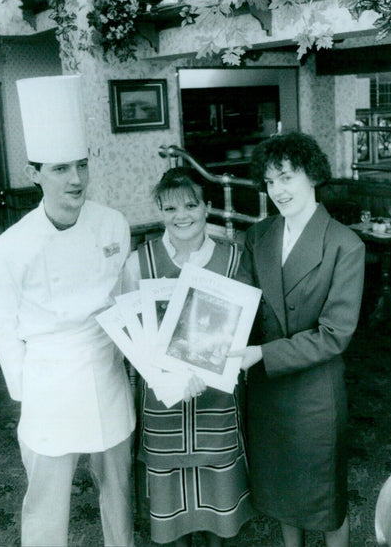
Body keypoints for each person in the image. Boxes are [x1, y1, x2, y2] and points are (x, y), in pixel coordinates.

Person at [0, 75, 135, 547]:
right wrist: (24, 387)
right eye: (61, 168)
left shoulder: (113, 222)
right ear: (35, 173)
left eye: (82, 166)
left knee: (118, 490)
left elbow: (127, 297)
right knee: (47, 500)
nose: (76, 179)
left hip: (106, 370)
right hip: (48, 381)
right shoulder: (12, 247)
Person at [231, 133, 365, 547]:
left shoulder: (345, 244)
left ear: (313, 176)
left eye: (286, 178)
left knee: (324, 502)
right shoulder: (259, 236)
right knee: (282, 496)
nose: (278, 191)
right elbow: (241, 308)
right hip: (268, 394)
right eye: (270, 182)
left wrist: (259, 353)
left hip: (314, 397)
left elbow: (334, 335)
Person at [121, 167, 254, 547]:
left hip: (216, 400)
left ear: (207, 207)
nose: (181, 216)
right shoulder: (139, 262)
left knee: (218, 505)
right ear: (159, 211)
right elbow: (130, 332)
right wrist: (170, 375)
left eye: (191, 205)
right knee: (171, 509)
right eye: (170, 208)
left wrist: (208, 370)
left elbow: (239, 329)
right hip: (163, 403)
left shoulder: (231, 260)